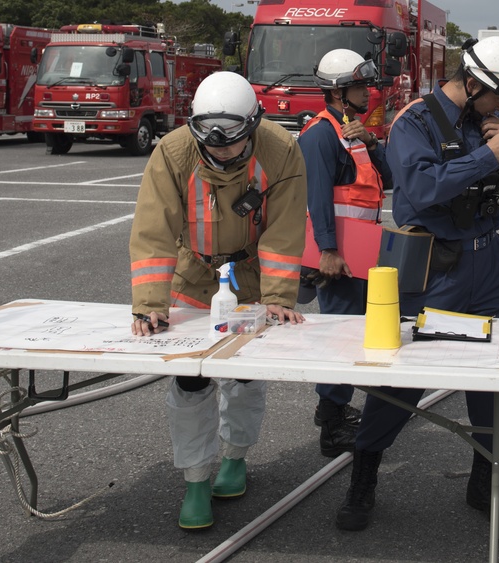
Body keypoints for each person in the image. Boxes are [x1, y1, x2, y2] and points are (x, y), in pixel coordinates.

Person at [335, 36, 499, 532]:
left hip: (488, 265)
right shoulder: (414, 122)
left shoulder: (482, 119)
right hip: (435, 267)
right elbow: (423, 189)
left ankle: (484, 482)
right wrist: (488, 155)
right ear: (471, 84)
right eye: (498, 98)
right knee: (400, 377)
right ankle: (363, 477)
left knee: (498, 378)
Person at [129, 71, 307, 530]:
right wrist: (149, 302)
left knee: (244, 378)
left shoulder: (281, 149)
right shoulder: (172, 151)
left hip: (249, 280)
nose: (221, 151)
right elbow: (153, 229)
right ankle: (194, 480)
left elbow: (285, 228)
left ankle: (236, 458)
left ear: (252, 125)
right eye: (212, 143)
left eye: (232, 143)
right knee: (190, 381)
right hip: (195, 275)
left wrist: (279, 296)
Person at [298, 49, 391, 457]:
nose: (367, 92)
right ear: (339, 92)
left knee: (352, 331)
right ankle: (332, 422)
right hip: (338, 256)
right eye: (359, 86)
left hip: (361, 251)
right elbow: (316, 196)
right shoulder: (320, 134)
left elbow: (388, 175)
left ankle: (334, 410)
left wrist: (372, 139)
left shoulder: (351, 130)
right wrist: (328, 250)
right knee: (339, 334)